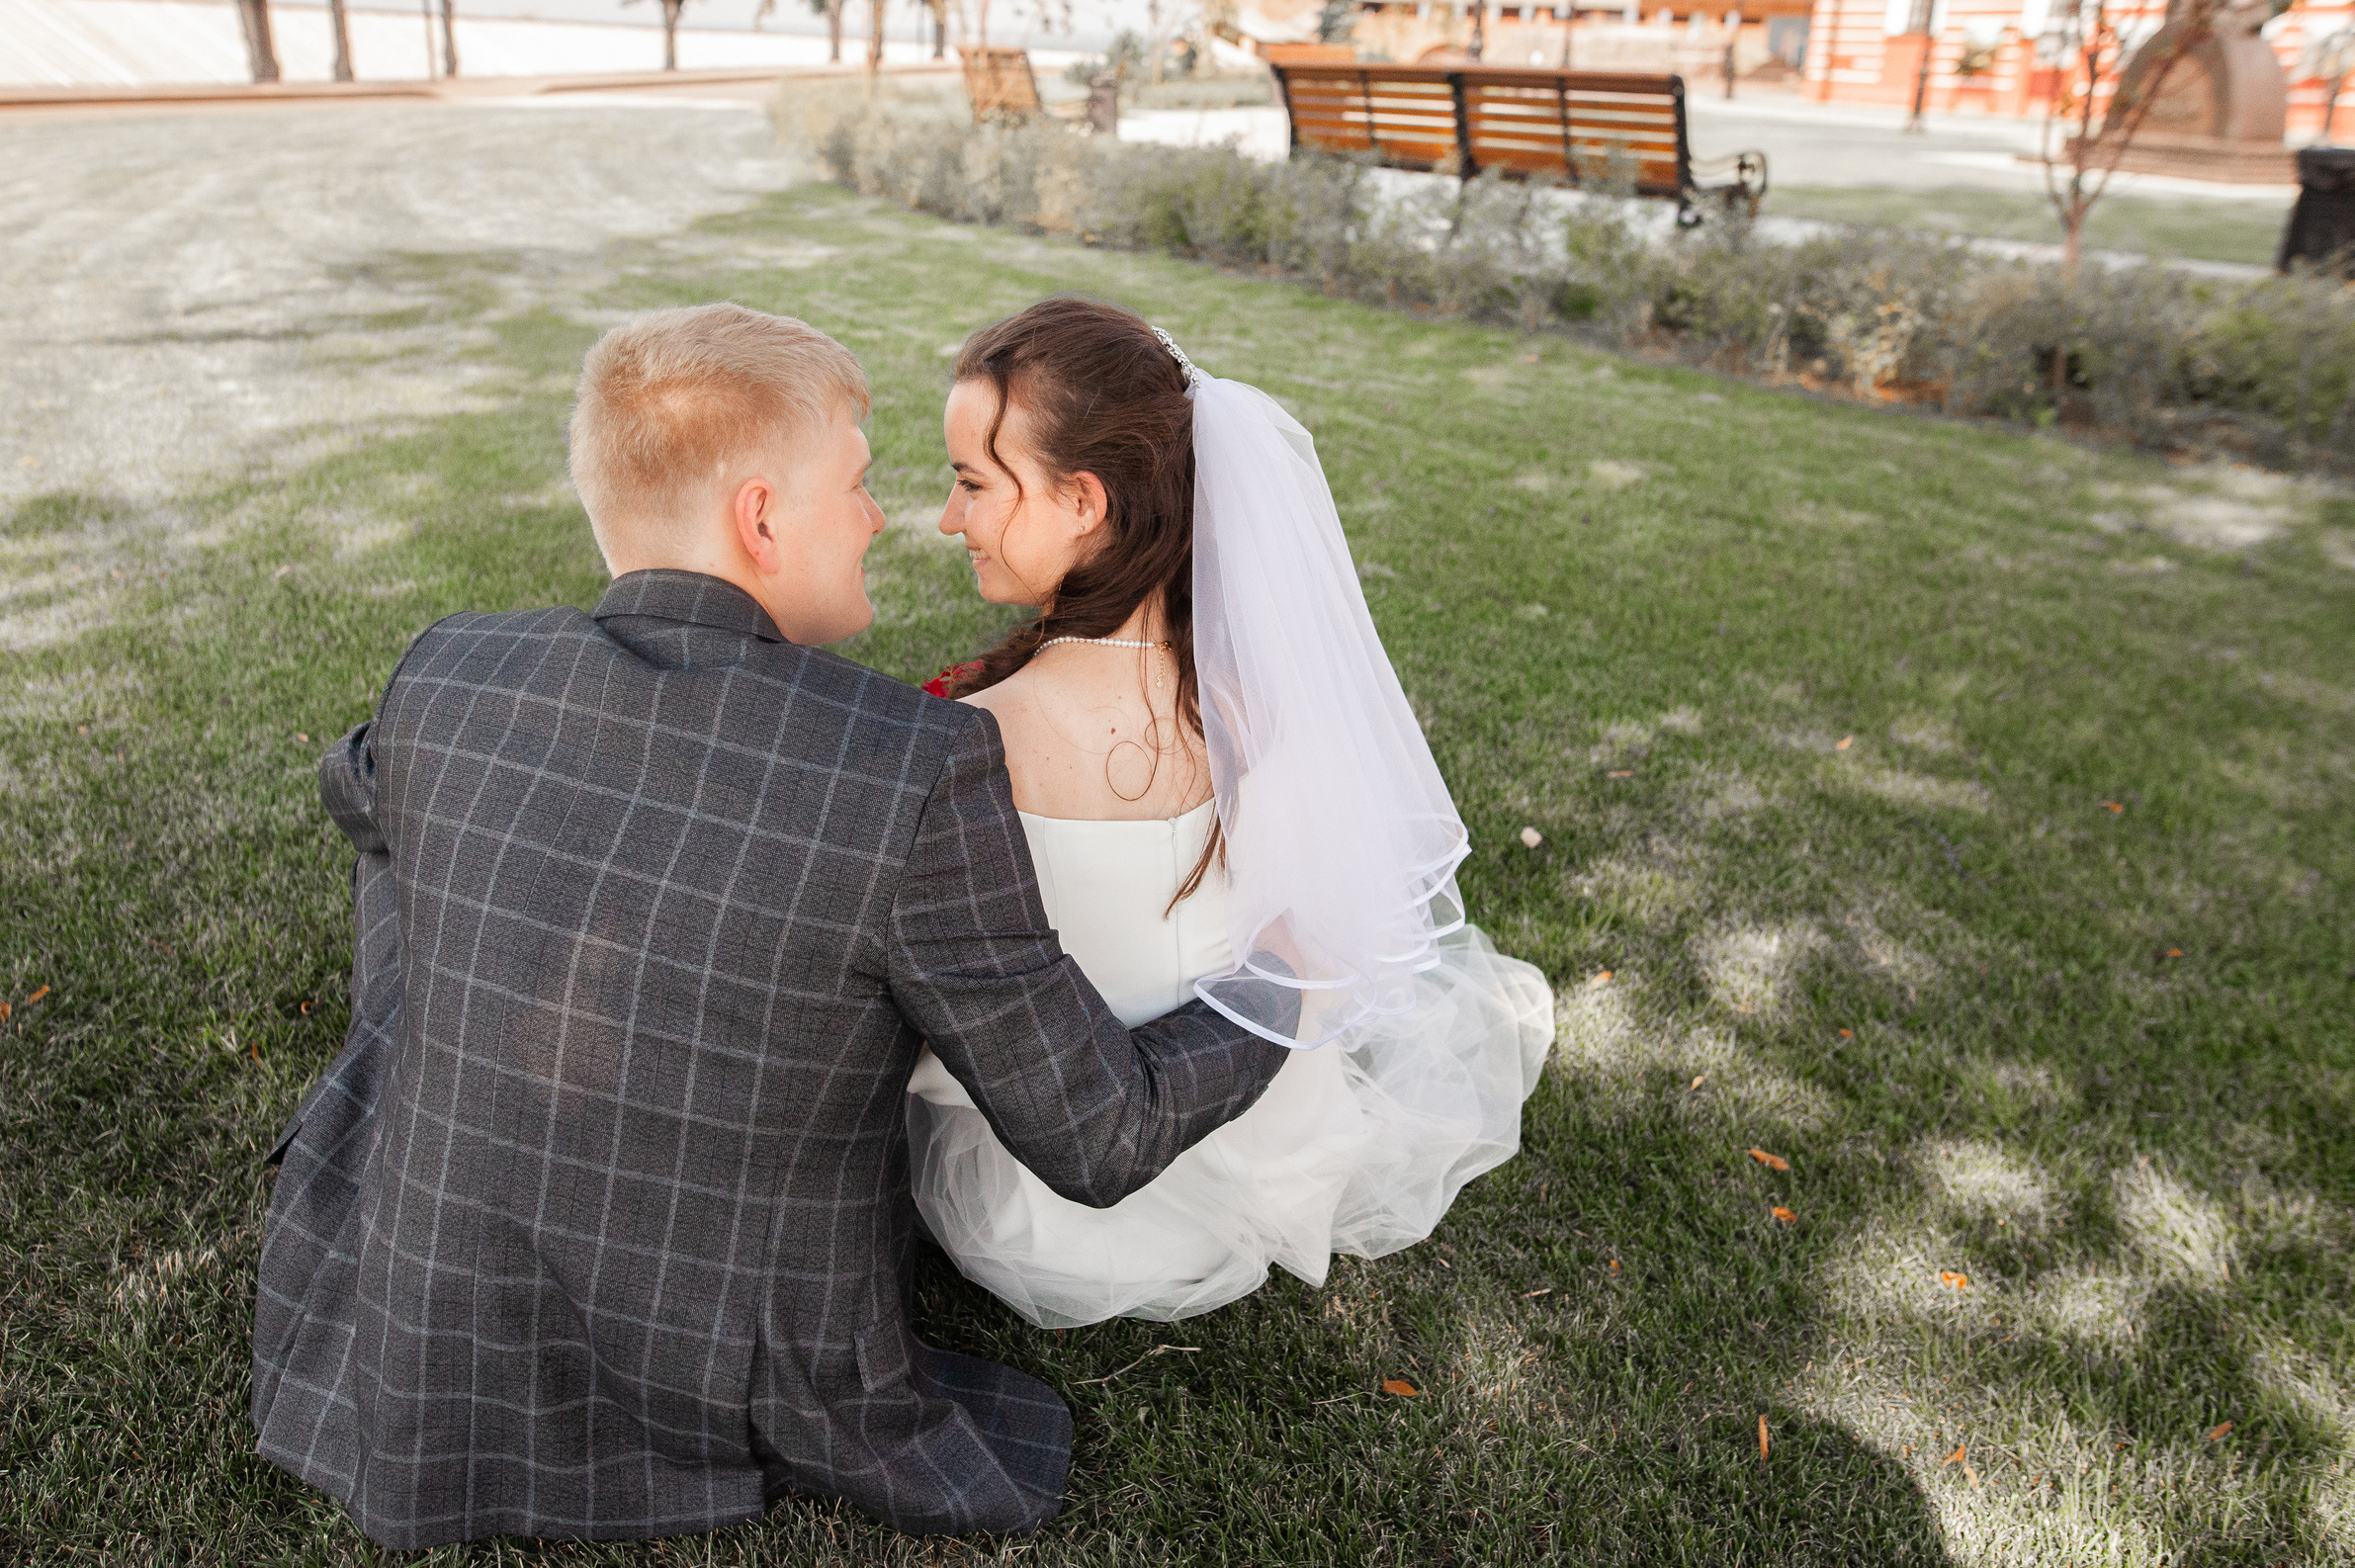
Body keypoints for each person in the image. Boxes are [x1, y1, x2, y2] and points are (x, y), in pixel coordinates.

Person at [249, 303, 1289, 1548]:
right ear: (758, 517)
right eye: (854, 484)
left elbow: (357, 798)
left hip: (410, 1322)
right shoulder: (909, 768)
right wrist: (1280, 988)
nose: (878, 516)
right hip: (721, 1353)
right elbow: (1098, 1133)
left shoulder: (452, 670)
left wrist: (404, 1019)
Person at [907, 297, 1555, 1329]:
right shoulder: (1260, 702)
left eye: (972, 483)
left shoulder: (963, 738)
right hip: (1270, 1167)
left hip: (1046, 1214)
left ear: (1081, 500)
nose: (950, 519)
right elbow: (1309, 942)